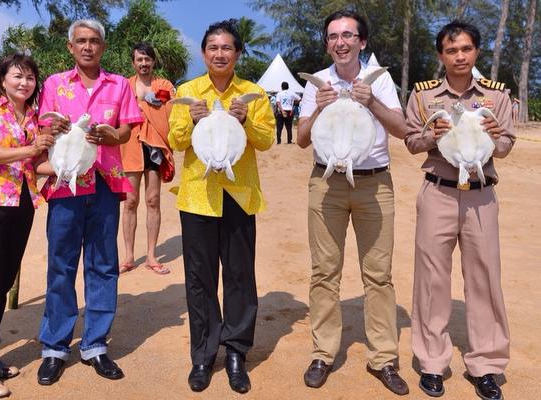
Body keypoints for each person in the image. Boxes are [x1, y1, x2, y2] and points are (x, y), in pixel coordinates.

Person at [296, 10, 409, 395]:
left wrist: (373, 102)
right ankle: (323, 353)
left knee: (378, 275)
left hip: (374, 185)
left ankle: (384, 358)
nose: (339, 42)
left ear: (362, 41)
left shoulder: (380, 79)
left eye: (347, 35)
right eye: (332, 36)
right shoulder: (318, 82)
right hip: (326, 184)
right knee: (324, 271)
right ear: (327, 43)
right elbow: (301, 138)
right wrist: (321, 107)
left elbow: (401, 128)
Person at [404, 20, 514, 400]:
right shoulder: (424, 95)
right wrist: (427, 137)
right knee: (432, 279)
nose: (460, 56)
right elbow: (410, 141)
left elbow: (505, 147)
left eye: (466, 49)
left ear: (476, 52)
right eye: (451, 51)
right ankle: (433, 362)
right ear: (441, 56)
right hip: (438, 192)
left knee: (484, 277)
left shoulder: (497, 96)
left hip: (481, 195)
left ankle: (486, 364)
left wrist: (499, 139)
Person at [34, 19, 143, 385]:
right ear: (70, 47)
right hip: (65, 183)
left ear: (103, 46)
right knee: (61, 264)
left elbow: (128, 128)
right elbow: (42, 128)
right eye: (80, 41)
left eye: (94, 41)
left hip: (104, 183)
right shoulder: (53, 84)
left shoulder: (119, 85)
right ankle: (54, 346)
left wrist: (114, 134)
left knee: (103, 264)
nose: (87, 47)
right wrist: (54, 129)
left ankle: (95, 343)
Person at [168, 19, 275, 394]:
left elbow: (267, 141)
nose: (219, 53)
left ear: (238, 53)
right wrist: (189, 121)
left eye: (227, 47)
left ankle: (235, 352)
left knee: (240, 276)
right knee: (200, 279)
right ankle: (202, 354)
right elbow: (176, 140)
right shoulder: (187, 91)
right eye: (212, 47)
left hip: (240, 195)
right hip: (198, 197)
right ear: (204, 53)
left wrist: (247, 123)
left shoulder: (254, 93)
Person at [0, 54, 55, 398]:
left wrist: (74, 164)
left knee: (3, 282)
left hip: (22, 203)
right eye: (17, 76)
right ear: (2, 79)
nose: (24, 83)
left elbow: (37, 166)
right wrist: (32, 147)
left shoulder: (35, 116)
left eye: (30, 77)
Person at [119, 42, 175, 275]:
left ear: (153, 62)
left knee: (153, 200)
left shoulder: (164, 85)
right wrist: (144, 99)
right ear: (133, 63)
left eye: (147, 59)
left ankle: (152, 255)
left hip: (155, 146)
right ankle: (129, 256)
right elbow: (120, 113)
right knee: (130, 201)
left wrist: (141, 100)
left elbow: (170, 111)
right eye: (139, 59)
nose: (143, 63)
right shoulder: (124, 85)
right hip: (130, 147)